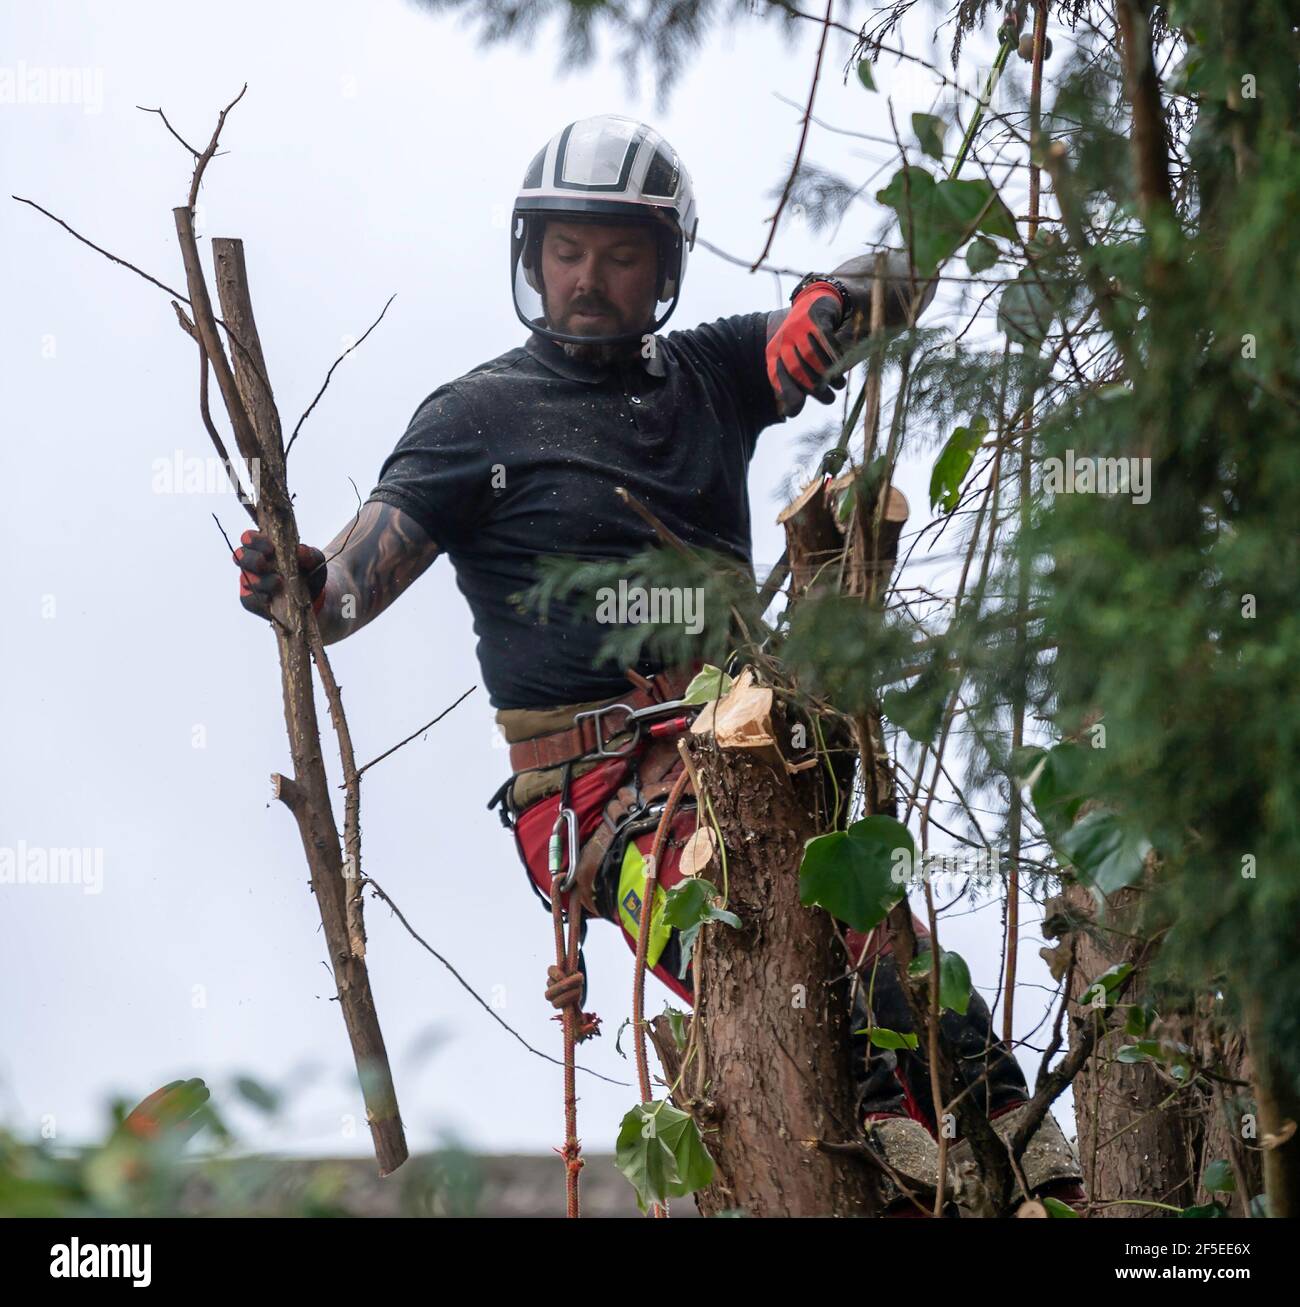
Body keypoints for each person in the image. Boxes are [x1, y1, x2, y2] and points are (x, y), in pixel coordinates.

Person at [233, 114, 1081, 1214]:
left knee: (907, 971)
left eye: (620, 254)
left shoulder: (714, 374)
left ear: (663, 266)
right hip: (592, 794)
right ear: (530, 257)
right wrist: (296, 582)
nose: (589, 278)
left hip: (747, 751)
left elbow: (892, 290)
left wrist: (831, 301)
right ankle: (876, 1149)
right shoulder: (473, 417)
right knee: (757, 932)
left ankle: (1025, 1160)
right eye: (567, 251)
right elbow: (345, 586)